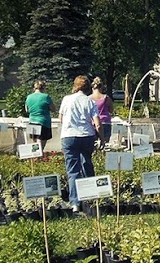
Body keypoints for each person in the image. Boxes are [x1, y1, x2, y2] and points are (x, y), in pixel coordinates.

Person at [60, 76, 106, 213]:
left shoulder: (66, 99)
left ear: (75, 86)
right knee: (87, 164)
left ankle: (75, 203)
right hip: (86, 136)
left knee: (73, 170)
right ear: (87, 87)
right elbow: (97, 124)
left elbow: (61, 118)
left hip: (69, 136)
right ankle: (90, 198)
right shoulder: (89, 101)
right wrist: (102, 139)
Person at [25, 80, 54, 151]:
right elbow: (53, 109)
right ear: (43, 87)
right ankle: (38, 158)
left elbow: (27, 110)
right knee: (41, 145)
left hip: (32, 121)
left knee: (35, 143)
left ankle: (34, 158)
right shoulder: (46, 97)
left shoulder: (29, 97)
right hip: (43, 122)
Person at [90, 77, 114, 147]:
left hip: (93, 123)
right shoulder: (106, 98)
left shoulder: (88, 99)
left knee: (93, 145)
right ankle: (103, 156)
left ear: (92, 88)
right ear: (101, 88)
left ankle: (95, 156)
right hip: (105, 122)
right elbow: (111, 110)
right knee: (105, 145)